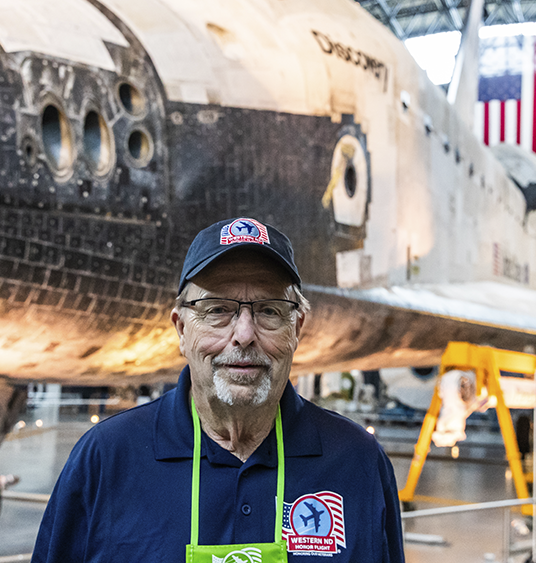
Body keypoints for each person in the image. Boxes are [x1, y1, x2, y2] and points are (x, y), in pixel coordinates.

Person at [32, 217, 405, 562]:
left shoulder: (358, 463)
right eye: (216, 310)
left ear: (297, 328)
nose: (243, 335)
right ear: (181, 329)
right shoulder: (106, 459)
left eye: (270, 311)